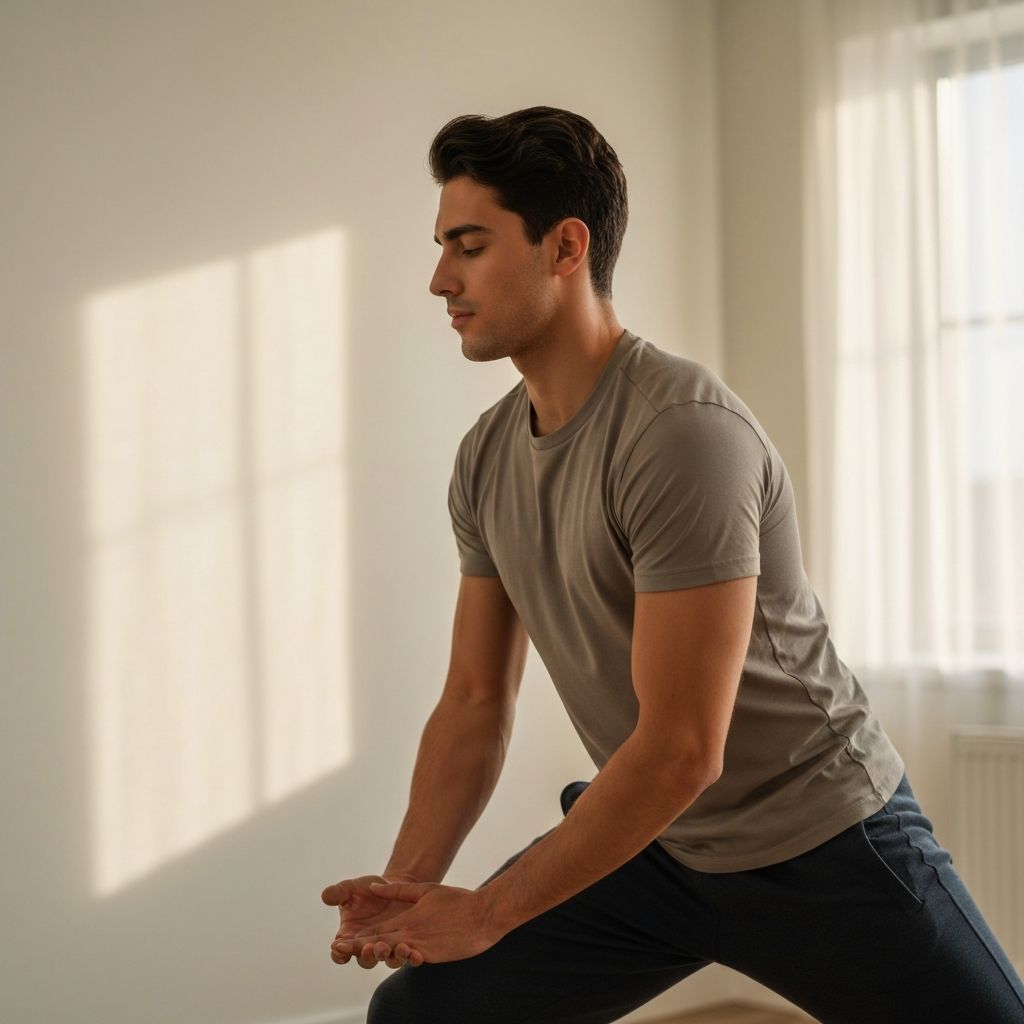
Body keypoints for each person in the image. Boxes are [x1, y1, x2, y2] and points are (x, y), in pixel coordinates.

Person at [320, 107, 1024, 1023]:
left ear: (564, 247)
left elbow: (683, 747)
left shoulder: (680, 432)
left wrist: (491, 910)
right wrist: (409, 892)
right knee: (422, 1015)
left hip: (821, 841)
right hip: (659, 849)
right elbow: (473, 703)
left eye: (469, 245)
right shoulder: (486, 459)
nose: (438, 278)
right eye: (442, 246)